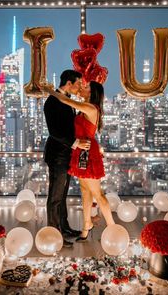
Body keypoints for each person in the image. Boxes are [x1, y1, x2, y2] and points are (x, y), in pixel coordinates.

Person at [43, 81, 115, 242]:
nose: (83, 87)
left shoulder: (90, 108)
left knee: (98, 193)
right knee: (85, 192)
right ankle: (86, 227)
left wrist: (51, 91)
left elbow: (68, 101)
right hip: (80, 151)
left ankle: (112, 229)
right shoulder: (85, 107)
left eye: (87, 87)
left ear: (93, 92)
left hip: (88, 152)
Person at [44, 69, 91, 248]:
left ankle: (64, 227)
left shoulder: (68, 101)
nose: (80, 87)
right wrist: (75, 143)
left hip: (66, 155)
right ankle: (54, 234)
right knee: (55, 196)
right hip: (57, 156)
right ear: (69, 83)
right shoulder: (52, 102)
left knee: (62, 195)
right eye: (78, 83)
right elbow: (54, 132)